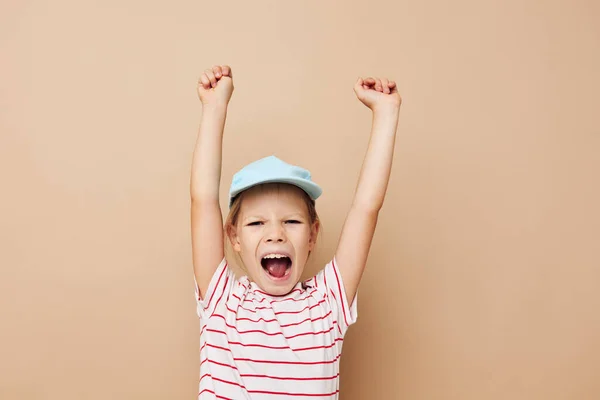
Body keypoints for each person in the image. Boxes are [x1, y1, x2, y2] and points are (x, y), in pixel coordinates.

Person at [191, 65, 401, 399]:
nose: (275, 234)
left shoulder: (326, 304)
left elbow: (366, 207)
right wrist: (215, 108)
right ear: (233, 237)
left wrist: (386, 114)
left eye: (291, 221)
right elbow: (203, 200)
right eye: (257, 223)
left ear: (313, 235)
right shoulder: (223, 300)